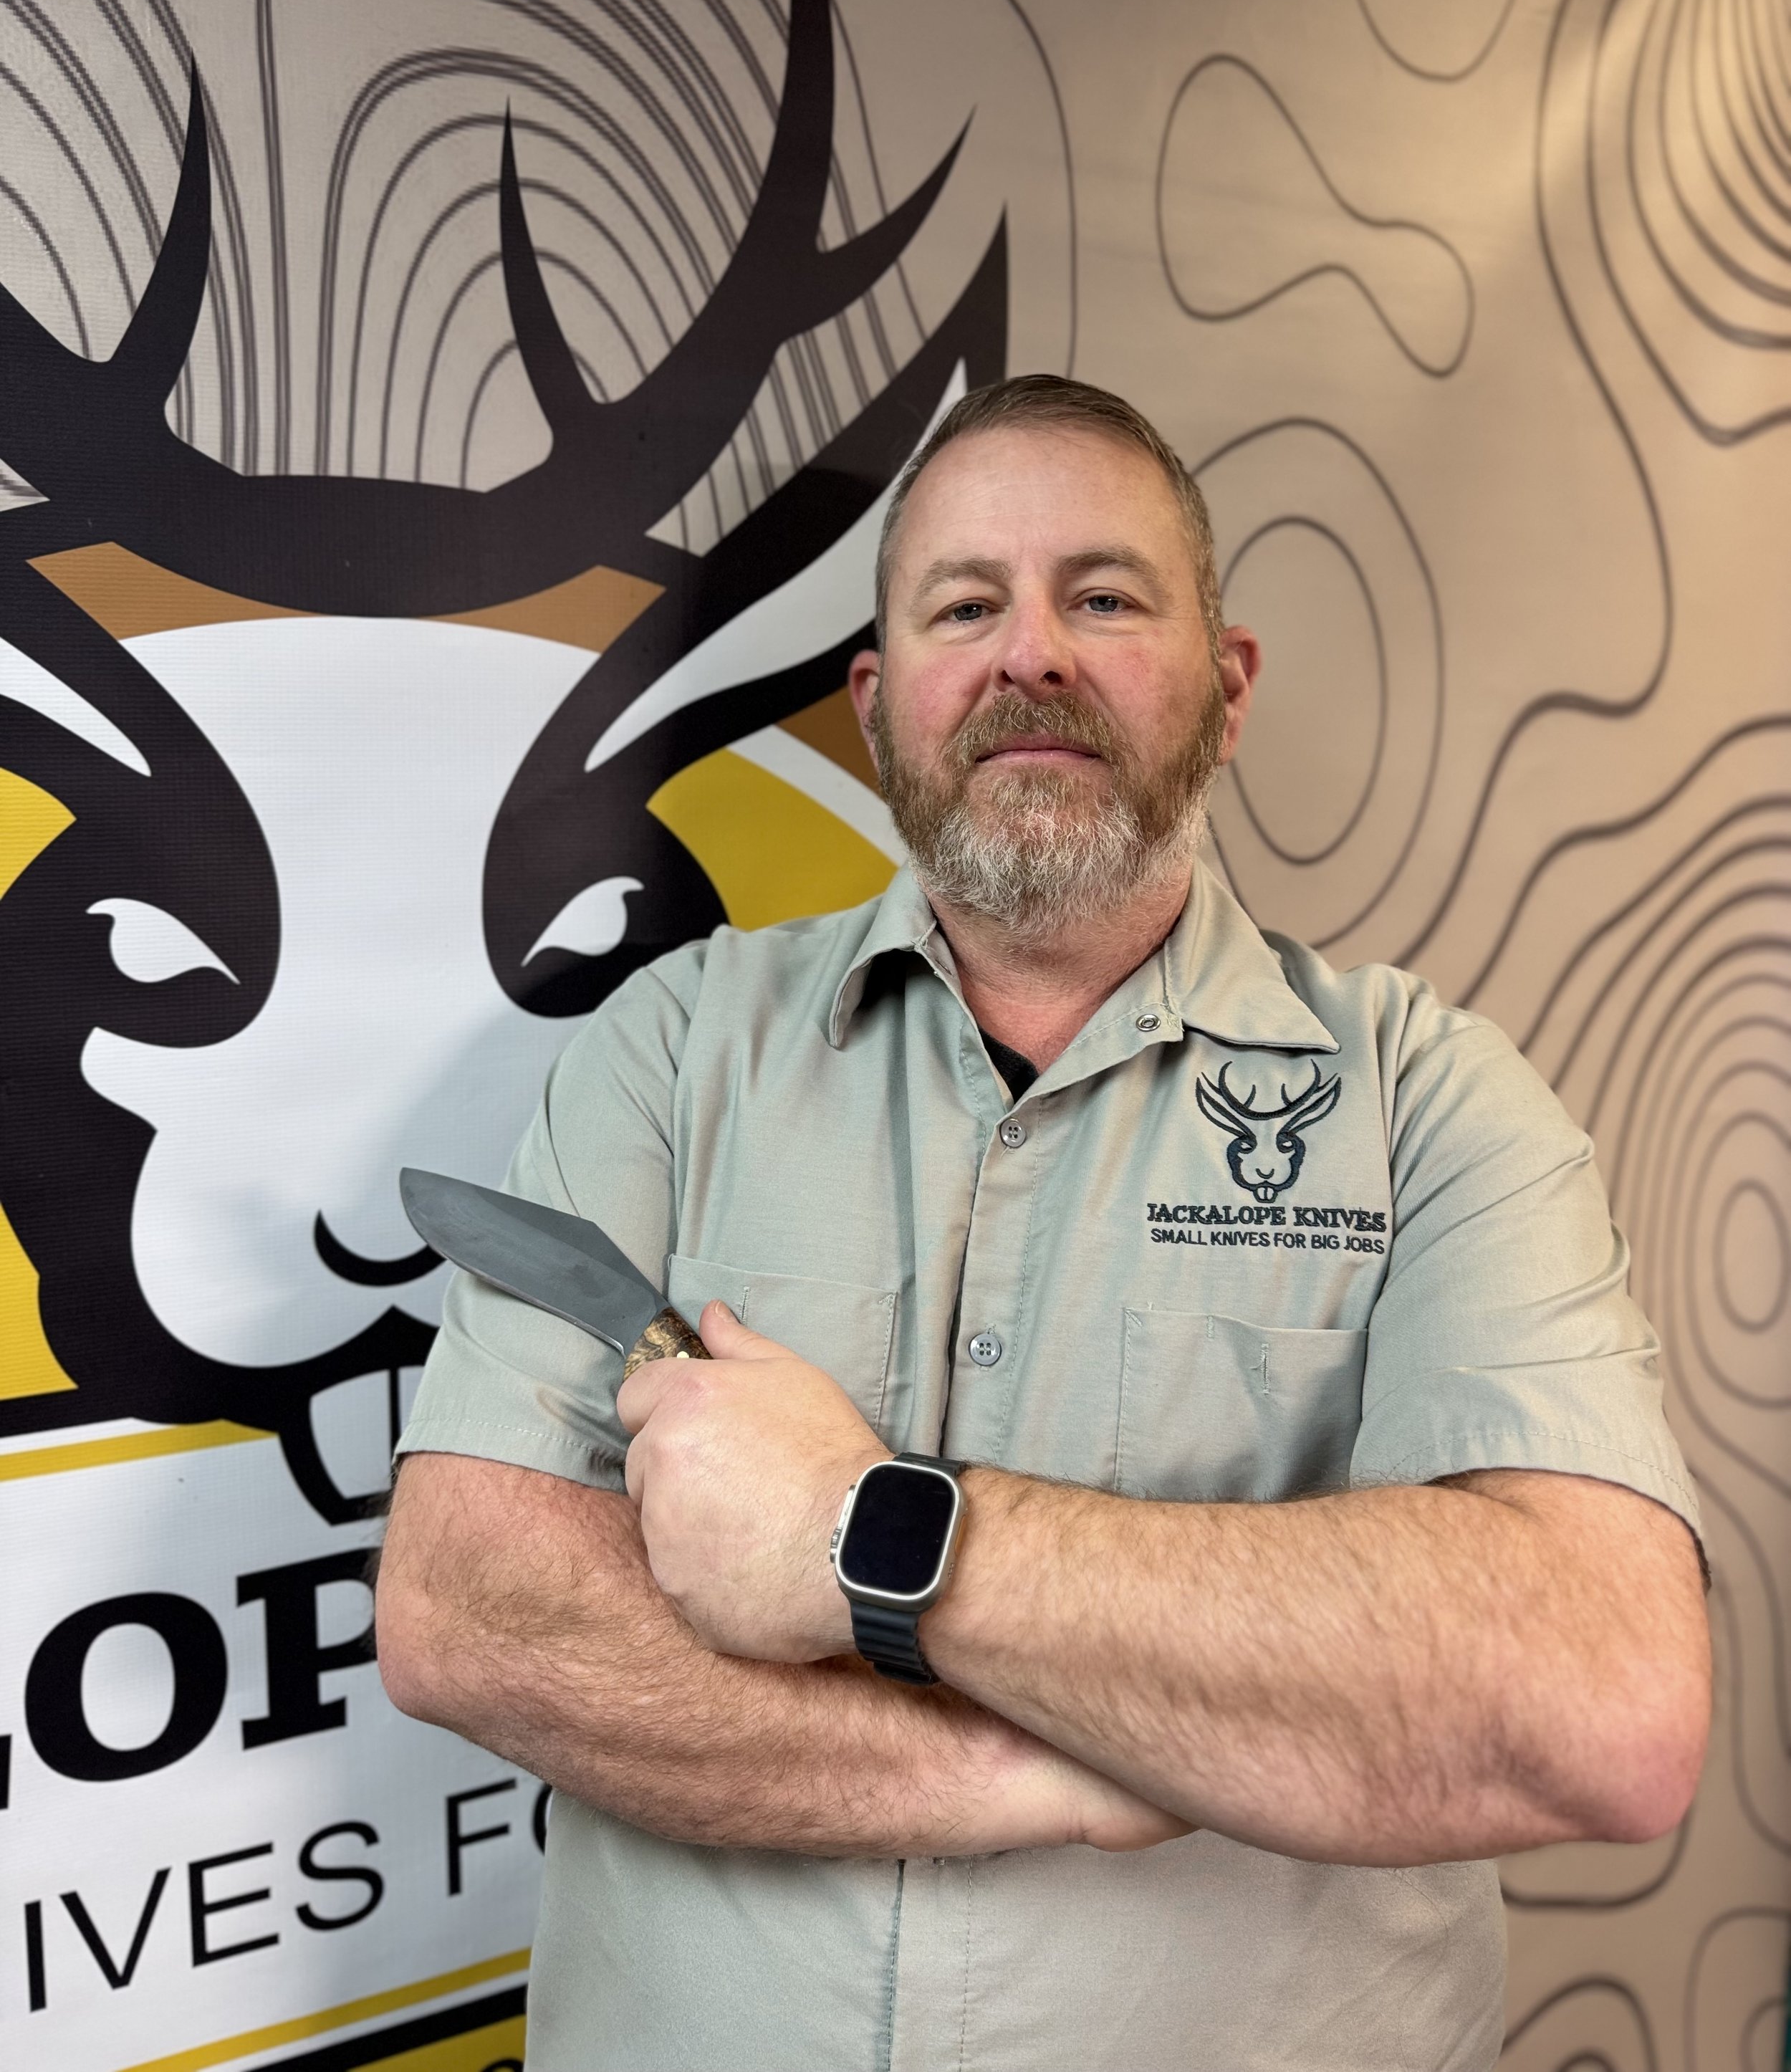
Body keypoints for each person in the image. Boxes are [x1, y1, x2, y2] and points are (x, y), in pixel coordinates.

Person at [377, 375, 1710, 2072]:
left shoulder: (1434, 1100)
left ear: (1224, 692)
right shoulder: (673, 1047)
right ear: (876, 708)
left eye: (1101, 595)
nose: (1031, 657)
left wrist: (862, 1526)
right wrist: (1056, 1772)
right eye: (963, 606)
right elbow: (472, 1608)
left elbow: (1591, 1700)